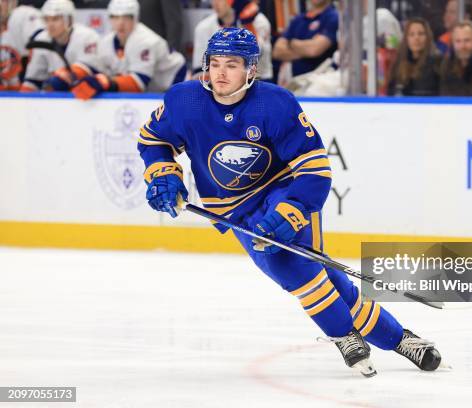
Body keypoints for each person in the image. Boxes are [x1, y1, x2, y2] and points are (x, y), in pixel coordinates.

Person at [137, 27, 443, 376]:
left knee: (286, 264)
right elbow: (153, 140)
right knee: (323, 275)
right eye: (215, 63)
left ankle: (344, 334)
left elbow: (314, 168)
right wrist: (163, 174)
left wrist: (292, 211)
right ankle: (401, 339)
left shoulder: (274, 102)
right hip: (233, 210)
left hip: (282, 190)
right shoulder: (184, 100)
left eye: (232, 64)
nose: (220, 73)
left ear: (251, 69)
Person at [71, 0, 186, 100]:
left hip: (176, 81)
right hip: (153, 87)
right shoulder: (106, 41)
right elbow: (93, 67)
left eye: (126, 17)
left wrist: (107, 82)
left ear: (135, 18)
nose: (120, 23)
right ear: (110, 19)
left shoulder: (144, 40)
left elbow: (138, 84)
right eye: (115, 17)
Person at [20, 0, 101, 92]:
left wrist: (58, 78)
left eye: (55, 19)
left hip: (89, 97)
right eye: (47, 19)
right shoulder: (41, 39)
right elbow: (33, 80)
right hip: (59, 96)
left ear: (69, 20)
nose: (50, 24)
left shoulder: (87, 36)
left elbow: (87, 70)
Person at [192, 0, 272, 81]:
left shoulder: (259, 21)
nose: (215, 4)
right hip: (218, 83)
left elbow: (257, 56)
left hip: (259, 80)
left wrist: (248, 25)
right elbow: (199, 70)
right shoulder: (203, 27)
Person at [272, 0, 338, 80]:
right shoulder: (297, 19)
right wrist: (307, 48)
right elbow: (277, 52)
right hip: (298, 84)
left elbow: (314, 50)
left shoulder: (334, 17)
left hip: (323, 83)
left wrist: (290, 43)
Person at [388, 18, 442, 96]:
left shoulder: (438, 63)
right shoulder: (398, 64)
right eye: (411, 34)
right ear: (406, 39)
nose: (416, 38)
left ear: (428, 37)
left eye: (421, 34)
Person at [0, 0, 44, 90]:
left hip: (23, 91)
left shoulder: (24, 15)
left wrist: (30, 82)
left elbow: (42, 45)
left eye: (5, 1)